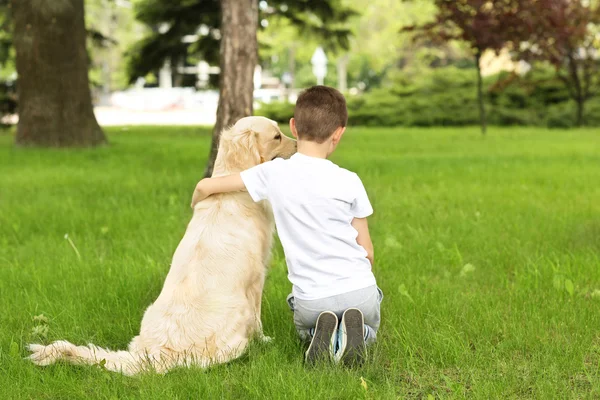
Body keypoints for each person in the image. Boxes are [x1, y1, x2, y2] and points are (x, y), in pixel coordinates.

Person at [191, 86, 382, 366]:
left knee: (305, 317)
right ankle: (359, 333)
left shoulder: (272, 173)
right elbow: (367, 252)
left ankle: (317, 331)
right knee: (370, 311)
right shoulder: (351, 180)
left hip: (313, 300)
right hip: (359, 291)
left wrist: (197, 205)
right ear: (338, 133)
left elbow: (206, 185)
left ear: (293, 126)